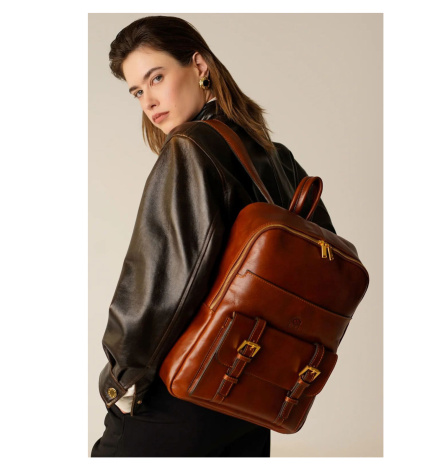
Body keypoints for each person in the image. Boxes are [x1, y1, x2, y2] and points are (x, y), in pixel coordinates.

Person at [91, 15, 336, 458]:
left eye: (156, 78)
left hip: (180, 392)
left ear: (200, 66)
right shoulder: (275, 156)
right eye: (137, 91)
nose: (149, 101)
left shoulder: (190, 147)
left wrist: (120, 380)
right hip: (249, 394)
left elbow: (160, 281)